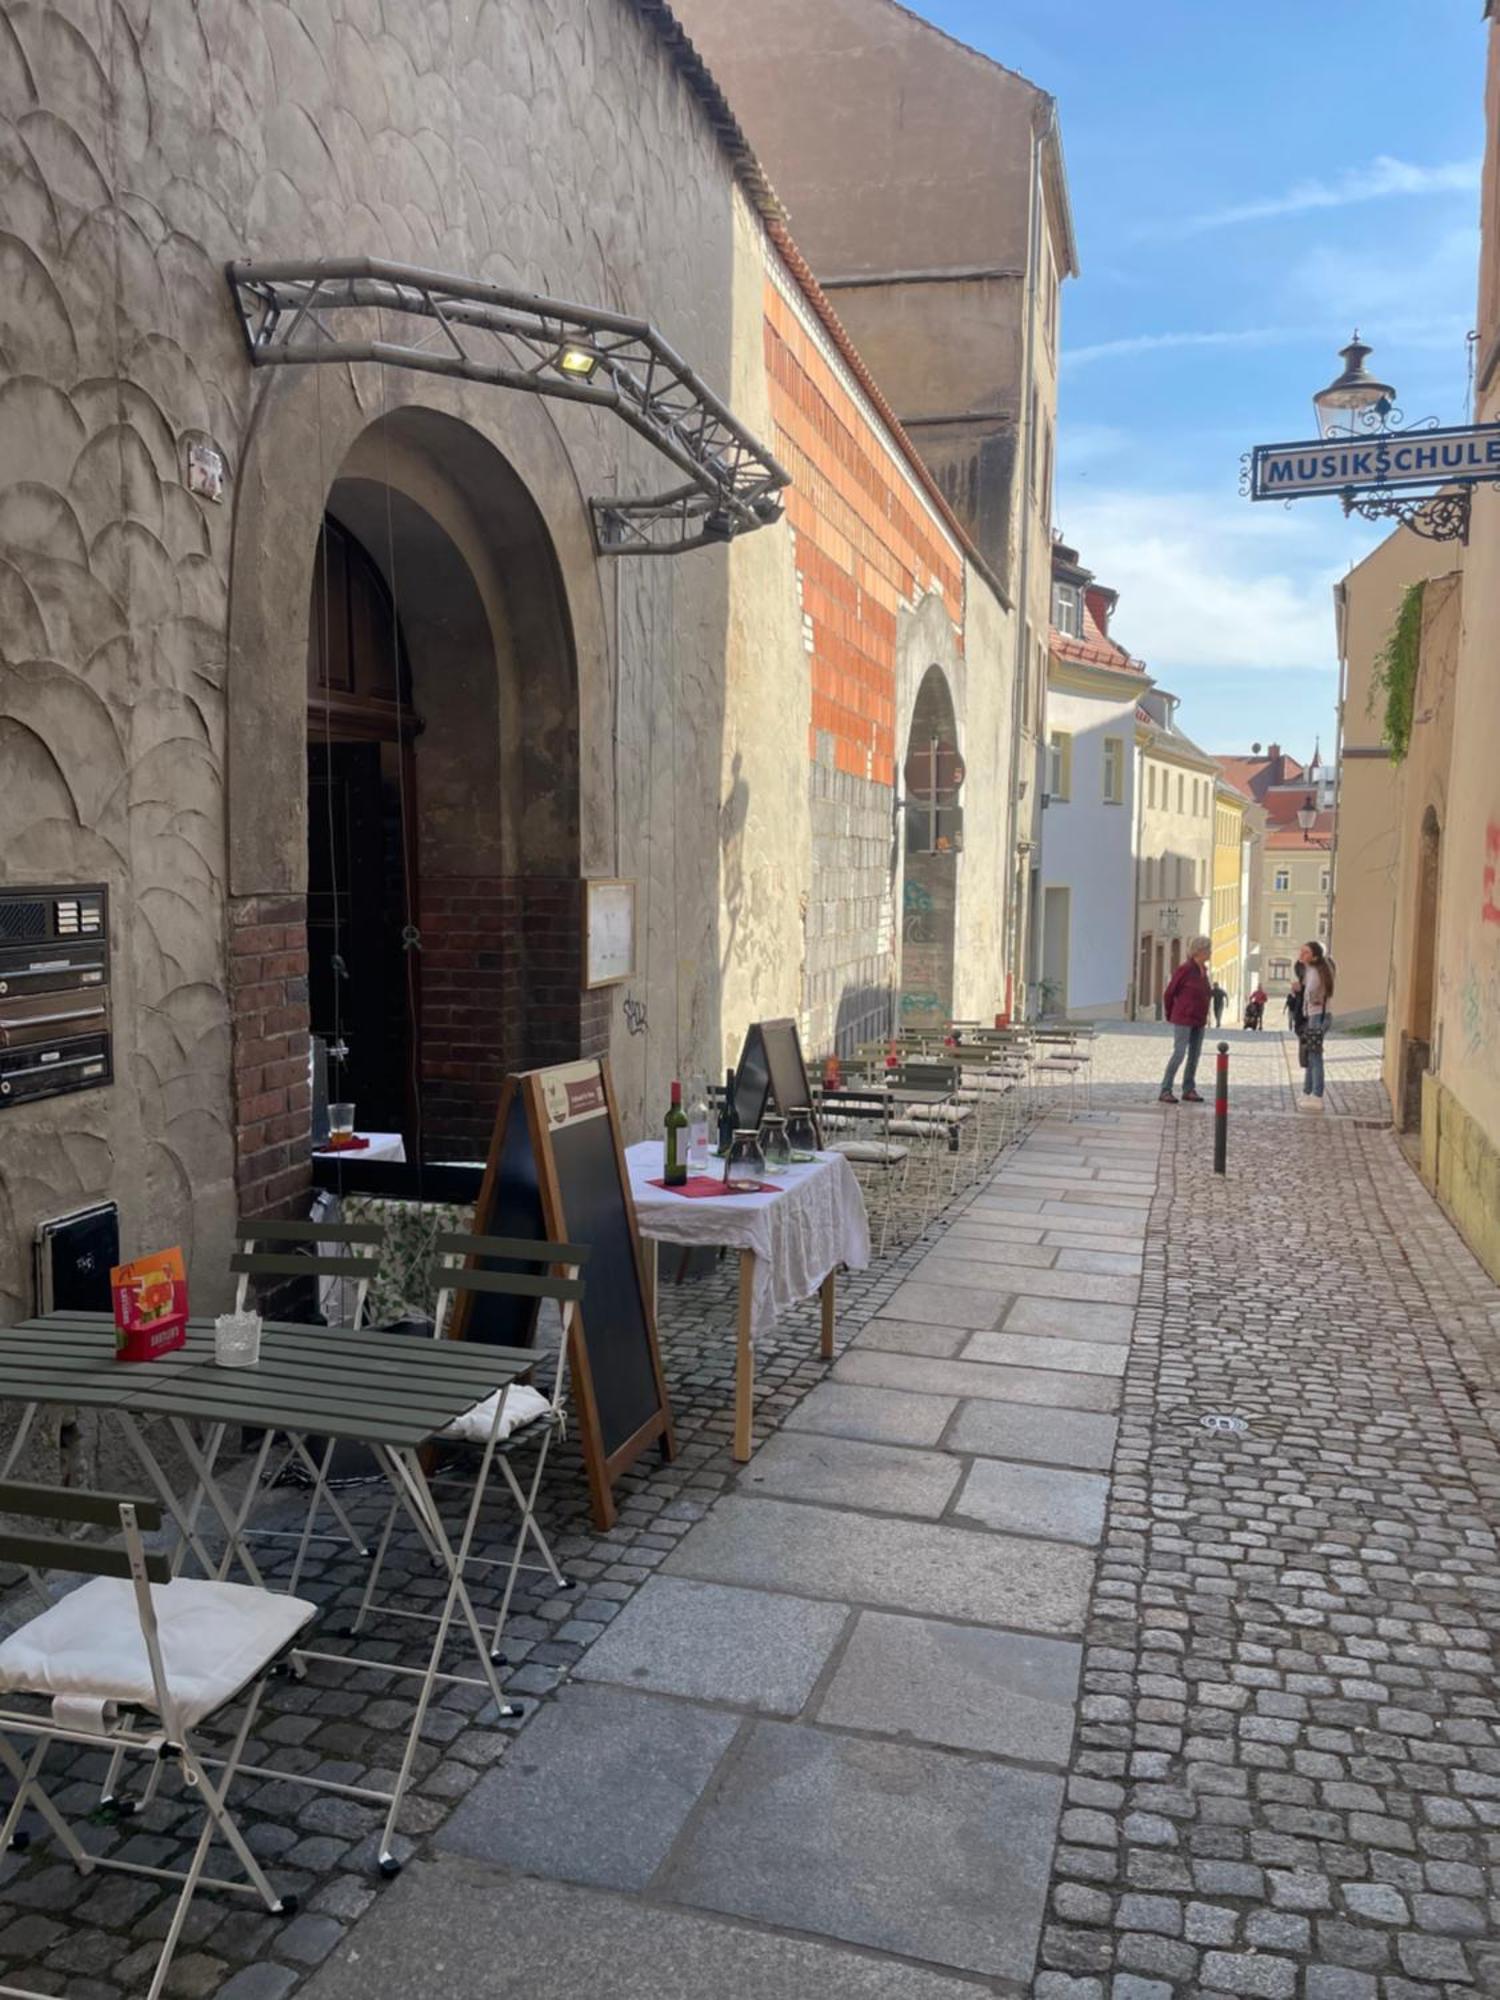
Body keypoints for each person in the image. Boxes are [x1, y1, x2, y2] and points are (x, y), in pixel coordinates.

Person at [1159, 936, 1213, 1105]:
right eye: (1208, 949)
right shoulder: (1186, 969)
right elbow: (1169, 993)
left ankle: (1188, 1088)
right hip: (1183, 1018)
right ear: (1200, 951)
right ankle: (1165, 1089)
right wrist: (1170, 1013)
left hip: (1199, 1019)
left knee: (1194, 1055)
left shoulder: (1203, 970)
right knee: (1179, 1053)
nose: (1210, 952)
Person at [1298, 941, 1335, 1110]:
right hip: (1319, 1015)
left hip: (1316, 1016)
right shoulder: (1317, 969)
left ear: (1314, 956)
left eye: (1305, 952)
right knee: (1311, 1053)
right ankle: (1308, 1092)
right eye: (1301, 951)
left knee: (1314, 1056)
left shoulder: (1314, 972)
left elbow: (1313, 994)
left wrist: (1302, 993)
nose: (1301, 955)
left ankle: (1317, 1095)